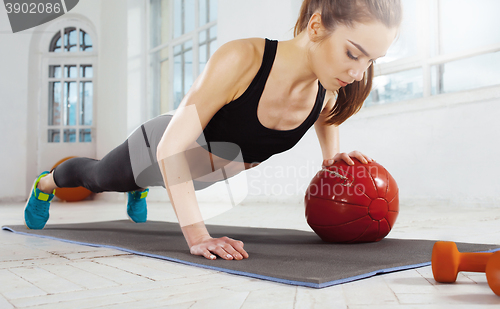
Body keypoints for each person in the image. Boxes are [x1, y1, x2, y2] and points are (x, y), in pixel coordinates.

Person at [24, 0, 402, 261]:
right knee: (96, 177)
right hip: (157, 149)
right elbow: (170, 149)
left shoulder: (326, 88)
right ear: (317, 26)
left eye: (370, 60)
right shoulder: (243, 59)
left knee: (150, 179)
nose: (357, 72)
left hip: (198, 175)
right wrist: (198, 236)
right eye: (353, 54)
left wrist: (330, 158)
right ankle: (45, 184)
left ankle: (139, 188)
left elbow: (325, 113)